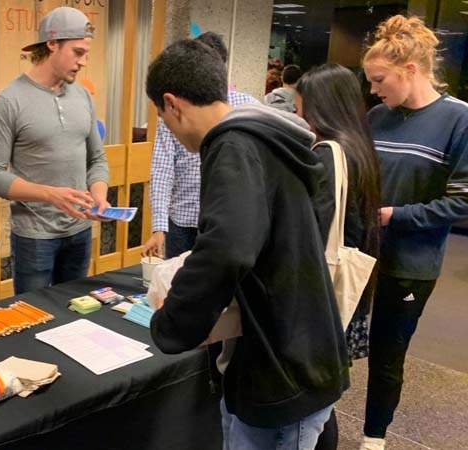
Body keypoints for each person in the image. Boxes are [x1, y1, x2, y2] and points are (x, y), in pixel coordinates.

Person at [147, 39, 349, 450]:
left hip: (284, 367)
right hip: (286, 352)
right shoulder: (261, 139)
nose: (167, 128)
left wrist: (172, 324)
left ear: (172, 104)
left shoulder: (233, 146)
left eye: (161, 117)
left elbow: (228, 248)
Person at [360, 15, 468, 450]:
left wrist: (395, 216)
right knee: (334, 339)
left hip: (410, 263)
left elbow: (462, 201)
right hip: (359, 252)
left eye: (379, 79)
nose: (373, 90)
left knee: (387, 354)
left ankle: (373, 437)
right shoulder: (376, 117)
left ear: (411, 70)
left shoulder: (458, 119)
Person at [0, 6, 110, 295]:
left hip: (80, 231)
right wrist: (50, 194)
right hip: (34, 237)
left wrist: (99, 197)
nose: (83, 62)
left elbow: (97, 159)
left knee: (76, 313)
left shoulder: (83, 96)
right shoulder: (8, 101)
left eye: (86, 53)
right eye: (77, 53)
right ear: (52, 44)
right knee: (33, 318)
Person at [294, 64, 382, 450]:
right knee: (324, 399)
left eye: (302, 110)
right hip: (347, 290)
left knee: (313, 405)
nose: (299, 118)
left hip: (322, 293)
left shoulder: (328, 154)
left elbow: (312, 230)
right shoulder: (359, 147)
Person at [142, 31, 258, 259]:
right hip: (184, 219)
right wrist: (159, 226)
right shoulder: (172, 114)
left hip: (226, 224)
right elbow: (162, 169)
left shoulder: (248, 113)